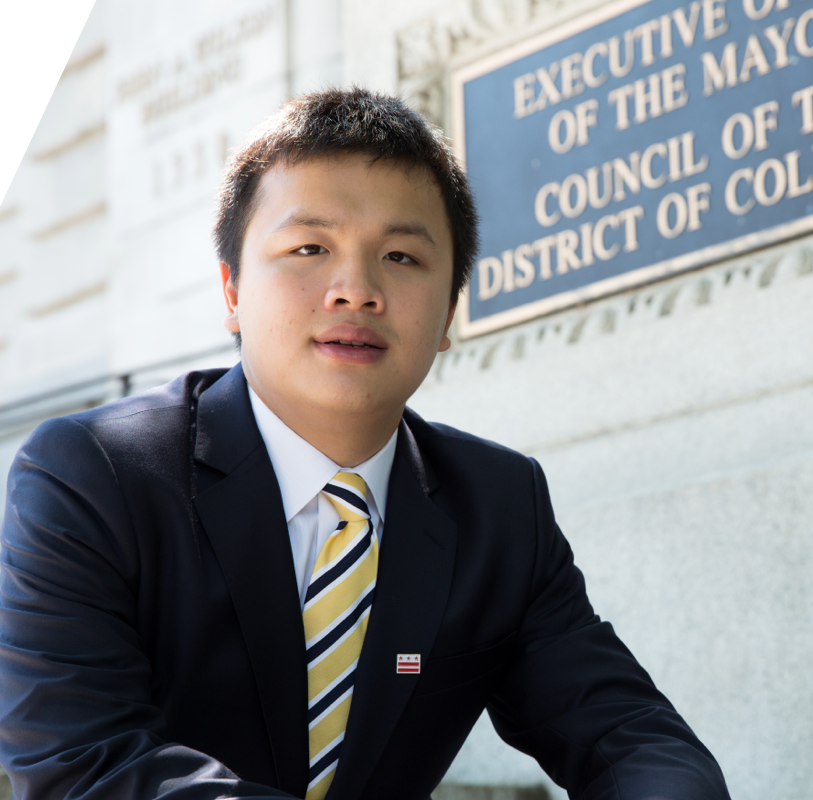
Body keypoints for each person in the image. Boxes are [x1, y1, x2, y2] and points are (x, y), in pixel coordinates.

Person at [0, 88, 729, 800]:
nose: (355, 290)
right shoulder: (92, 476)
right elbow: (87, 764)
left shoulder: (501, 508)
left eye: (402, 258)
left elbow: (630, 736)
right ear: (230, 290)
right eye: (309, 247)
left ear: (448, 313)